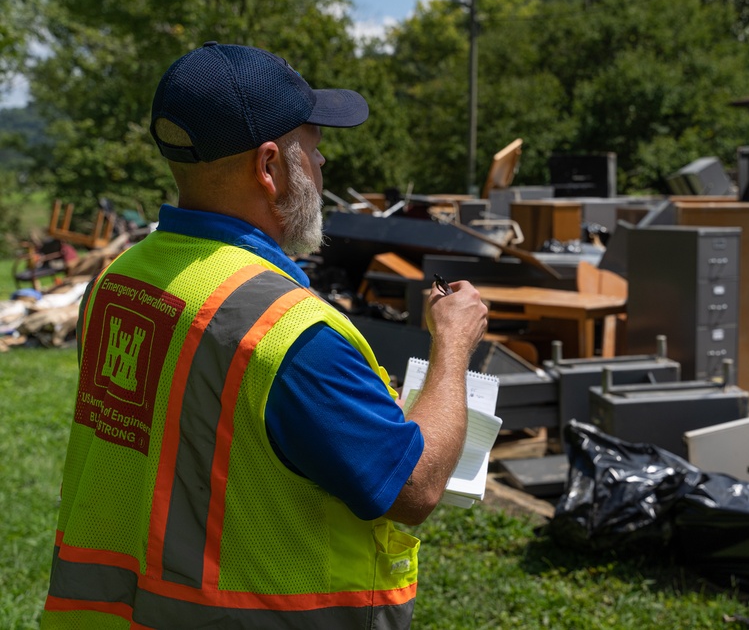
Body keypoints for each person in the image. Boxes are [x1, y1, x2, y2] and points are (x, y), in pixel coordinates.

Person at [41, 41, 489, 629]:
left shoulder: (118, 280)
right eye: (315, 145)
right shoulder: (293, 337)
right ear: (270, 166)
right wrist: (452, 347)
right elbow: (415, 488)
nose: (323, 164)